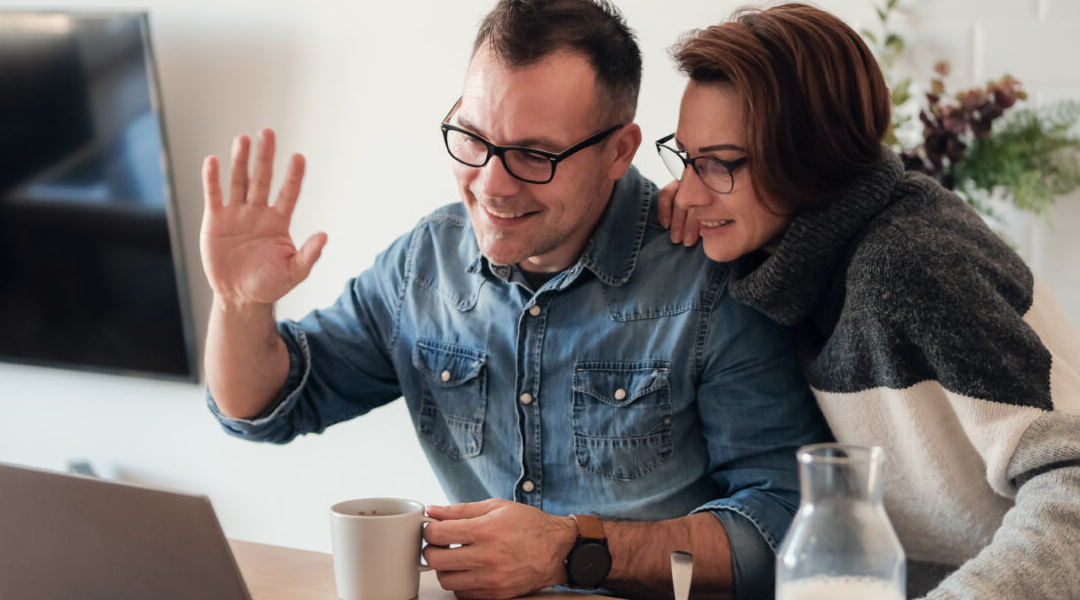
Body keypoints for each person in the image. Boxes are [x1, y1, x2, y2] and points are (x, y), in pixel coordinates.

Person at [199, 1, 832, 598]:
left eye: (535, 154)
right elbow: (267, 405)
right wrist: (237, 303)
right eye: (473, 138)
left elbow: (783, 529)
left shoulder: (709, 276)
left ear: (619, 151)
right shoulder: (425, 264)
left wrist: (573, 548)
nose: (492, 184)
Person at [654, 4, 1080, 599]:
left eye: (720, 164)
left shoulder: (909, 263)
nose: (691, 191)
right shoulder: (793, 262)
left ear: (808, 156)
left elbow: (1072, 482)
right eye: (686, 158)